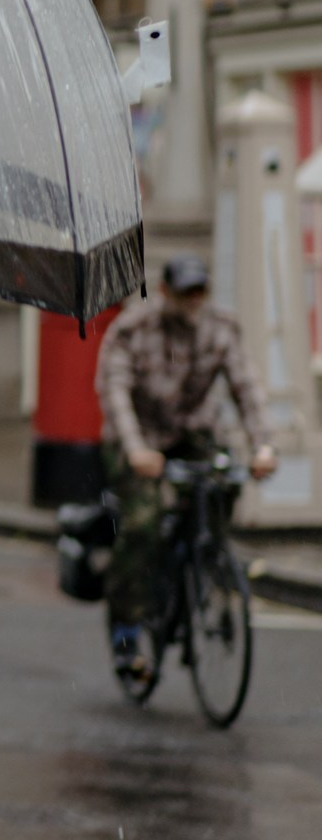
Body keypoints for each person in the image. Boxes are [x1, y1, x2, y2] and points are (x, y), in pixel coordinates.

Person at [95, 253, 277, 683]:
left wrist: (263, 446)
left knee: (223, 486)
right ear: (164, 292)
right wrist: (138, 451)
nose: (194, 300)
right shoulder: (132, 330)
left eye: (201, 291)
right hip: (137, 439)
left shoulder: (222, 328)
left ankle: (203, 559)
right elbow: (115, 394)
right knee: (141, 524)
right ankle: (126, 629)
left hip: (192, 435)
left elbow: (246, 388)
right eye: (185, 292)